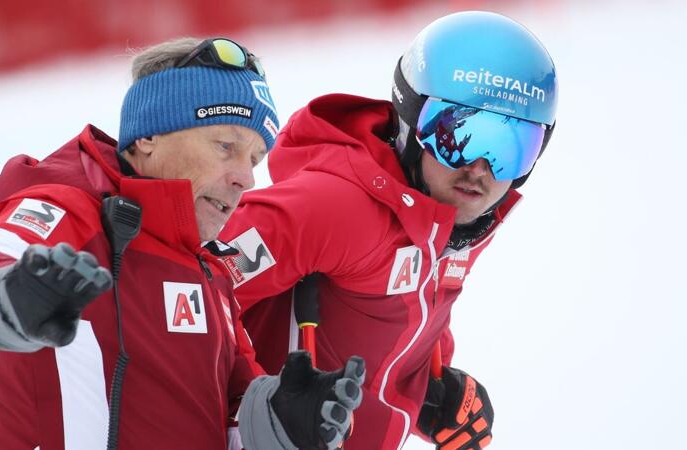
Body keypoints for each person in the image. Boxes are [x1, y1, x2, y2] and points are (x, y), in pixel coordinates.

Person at [0, 37, 364, 450]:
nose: (246, 177)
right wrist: (9, 293)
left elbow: (235, 421)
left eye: (254, 158)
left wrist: (284, 420)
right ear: (148, 137)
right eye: (225, 145)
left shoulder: (211, 275)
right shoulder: (76, 211)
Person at [218, 11, 558, 450]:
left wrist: (431, 396)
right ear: (412, 122)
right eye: (458, 135)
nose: (480, 170)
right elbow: (191, 286)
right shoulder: (333, 205)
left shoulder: (453, 226)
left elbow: (393, 325)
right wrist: (258, 404)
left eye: (512, 150)